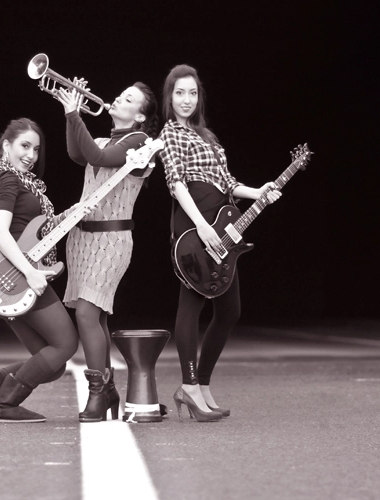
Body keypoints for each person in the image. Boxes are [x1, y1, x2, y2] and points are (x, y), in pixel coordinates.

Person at [157, 65, 282, 422]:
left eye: (193, 93)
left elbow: (227, 183)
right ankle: (189, 386)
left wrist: (258, 192)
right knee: (192, 302)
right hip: (194, 225)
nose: (186, 99)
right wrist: (201, 226)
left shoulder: (207, 136)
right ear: (169, 97)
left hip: (221, 225)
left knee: (229, 311)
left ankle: (203, 385)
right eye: (180, 93)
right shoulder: (170, 133)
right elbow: (176, 183)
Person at [0, 118, 82, 423]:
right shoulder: (8, 179)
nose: (31, 155)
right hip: (22, 275)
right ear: (7, 145)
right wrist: (31, 273)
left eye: (36, 149)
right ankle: (3, 405)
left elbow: (32, 229)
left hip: (17, 276)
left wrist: (69, 214)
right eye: (25, 146)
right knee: (65, 345)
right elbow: (0, 232)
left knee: (51, 364)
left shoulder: (18, 180)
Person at [55, 80, 159, 422]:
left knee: (87, 313)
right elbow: (78, 154)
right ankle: (108, 390)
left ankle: (97, 394)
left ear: (140, 115)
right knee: (94, 315)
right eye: (121, 94)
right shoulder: (102, 140)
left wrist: (75, 114)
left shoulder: (139, 141)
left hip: (112, 240)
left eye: (128, 98)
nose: (118, 98)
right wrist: (70, 115)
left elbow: (99, 158)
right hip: (81, 240)